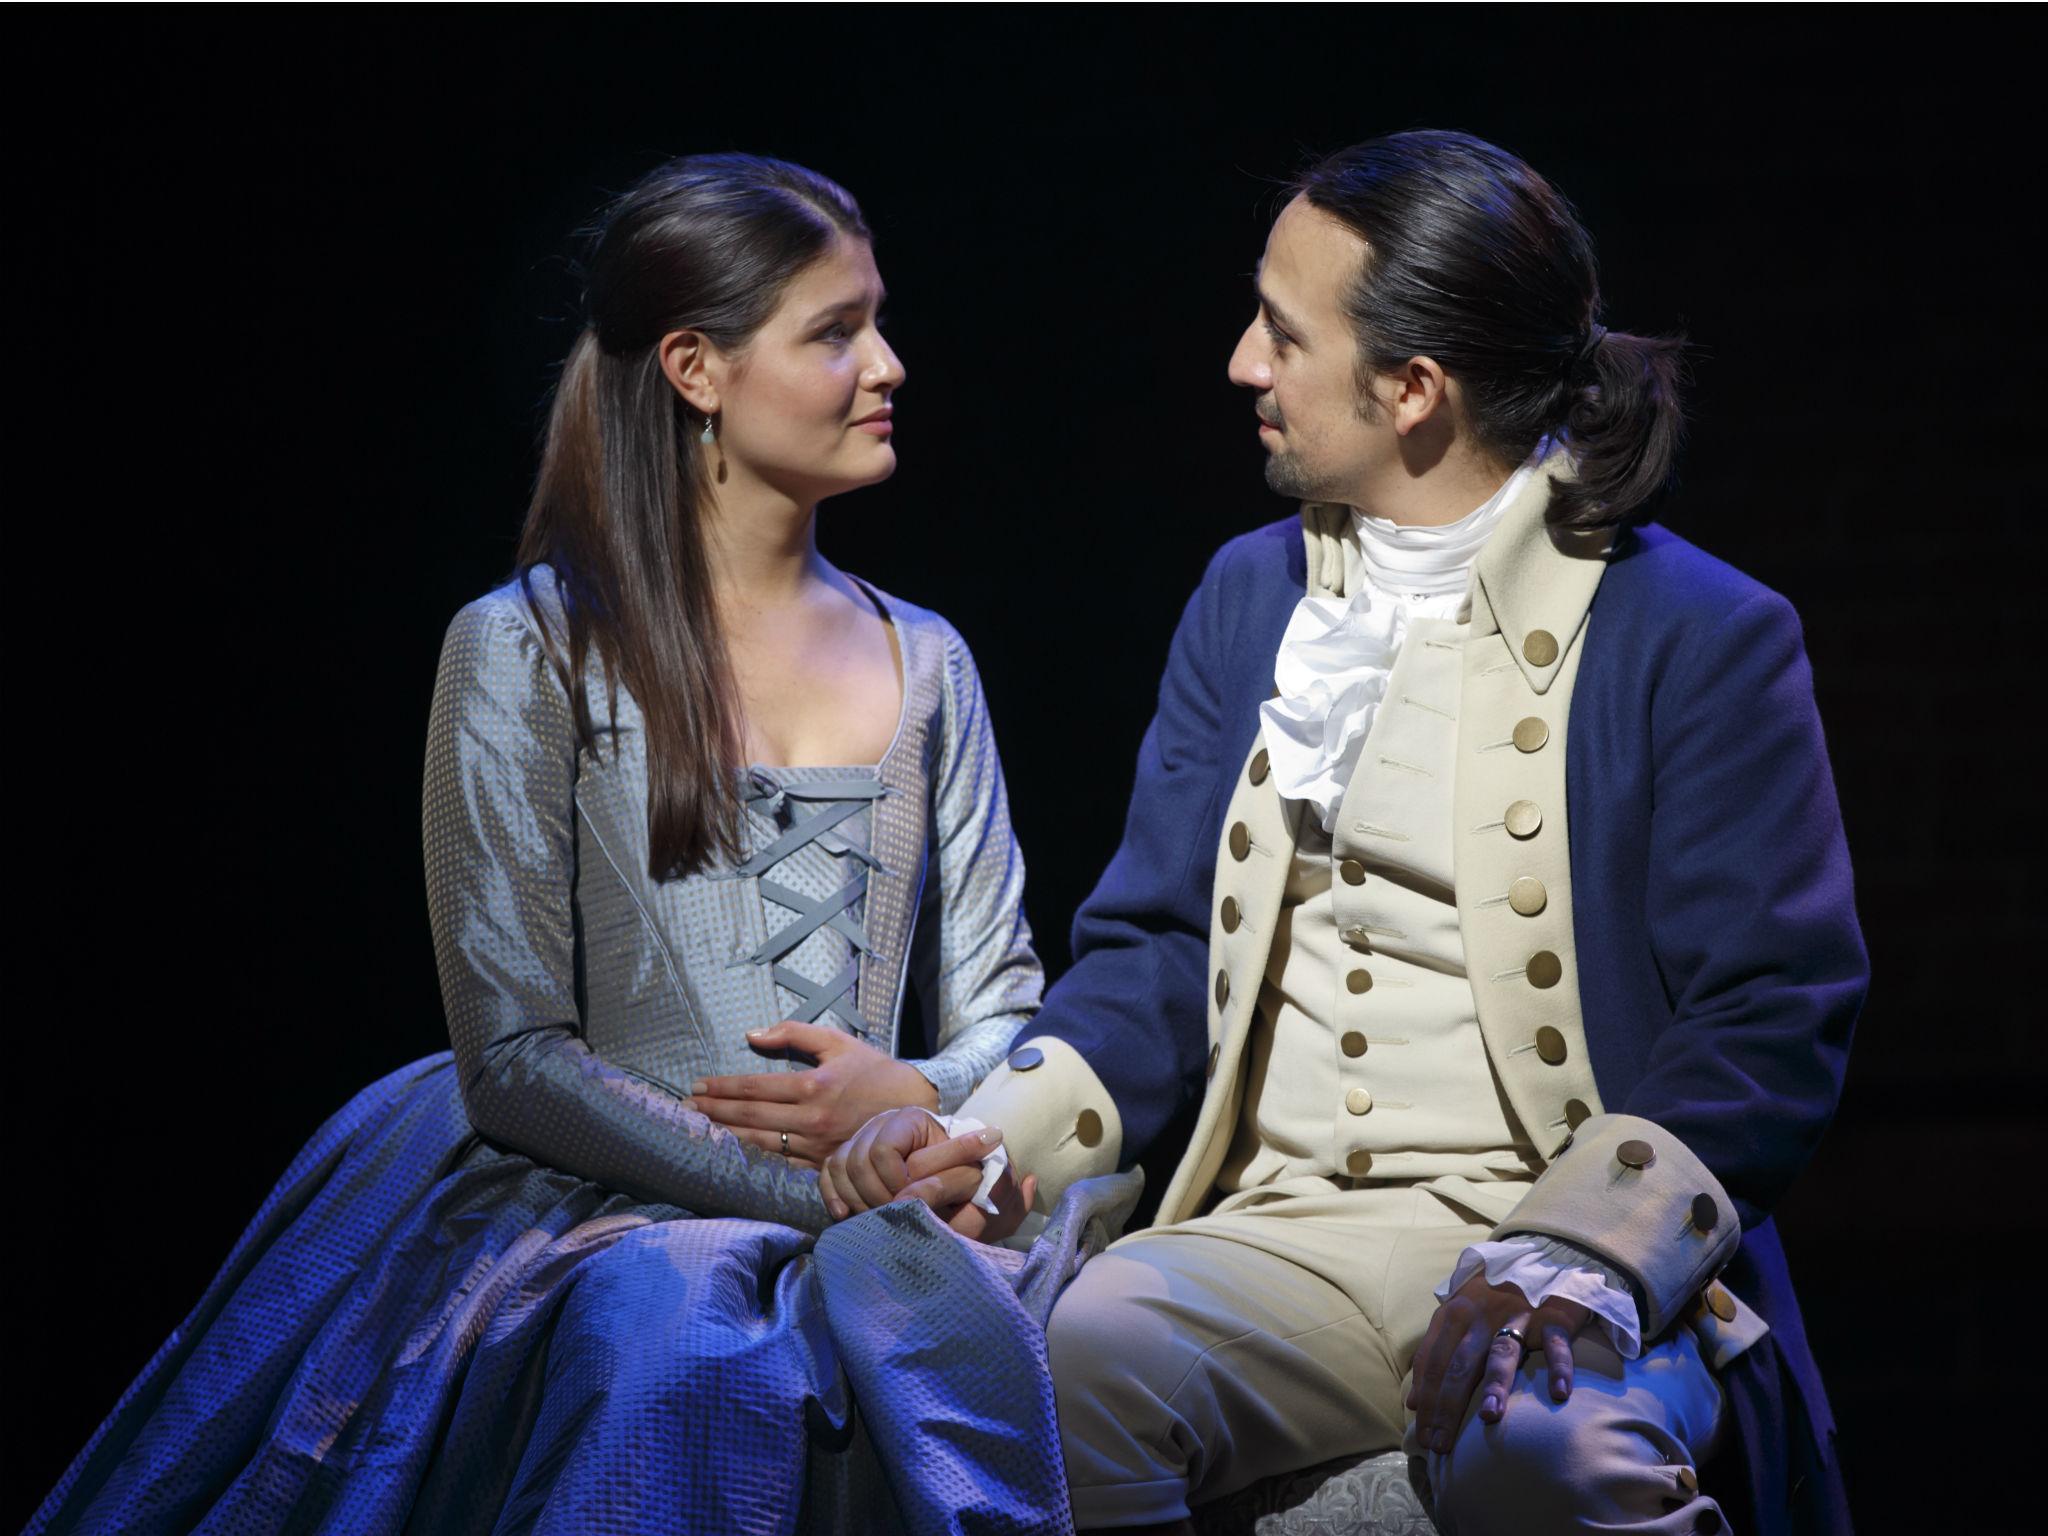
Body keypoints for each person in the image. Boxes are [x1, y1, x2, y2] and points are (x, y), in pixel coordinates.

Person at [832, 131, 1865, 1535]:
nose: (1244, 364)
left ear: (1415, 391)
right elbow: (1153, 951)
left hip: (1539, 1236)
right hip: (1279, 1238)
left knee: (1551, 1460)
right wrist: (989, 1139)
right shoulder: (1250, 600)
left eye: (1284, 332)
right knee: (1072, 1363)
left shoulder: (1698, 636)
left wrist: (1587, 1254)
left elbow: (1768, 1013)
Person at [28, 153, 1055, 1536]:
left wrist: (913, 1113)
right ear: (696, 368)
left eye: (875, 319)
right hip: (602, 1195)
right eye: (835, 330)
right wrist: (813, 1187)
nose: (889, 363)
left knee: (995, 1335)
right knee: (676, 1335)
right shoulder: (525, 648)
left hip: (878, 1195)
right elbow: (511, 1053)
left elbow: (1004, 1003)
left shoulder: (924, 660)